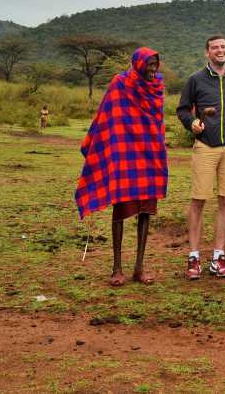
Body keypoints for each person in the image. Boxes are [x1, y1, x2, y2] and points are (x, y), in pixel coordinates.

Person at [75, 47, 167, 286]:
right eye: (149, 65)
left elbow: (157, 119)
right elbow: (107, 115)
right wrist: (104, 144)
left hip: (149, 153)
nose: (153, 69)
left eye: (156, 64)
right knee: (121, 210)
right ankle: (117, 268)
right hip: (124, 154)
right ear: (138, 64)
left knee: (146, 210)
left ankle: (139, 267)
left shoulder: (157, 85)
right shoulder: (120, 83)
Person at [176, 35, 225, 280]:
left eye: (223, 47)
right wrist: (193, 123)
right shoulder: (195, 79)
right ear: (207, 53)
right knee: (199, 200)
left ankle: (218, 257)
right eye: (214, 48)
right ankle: (194, 258)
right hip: (205, 147)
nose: (220, 51)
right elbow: (182, 109)